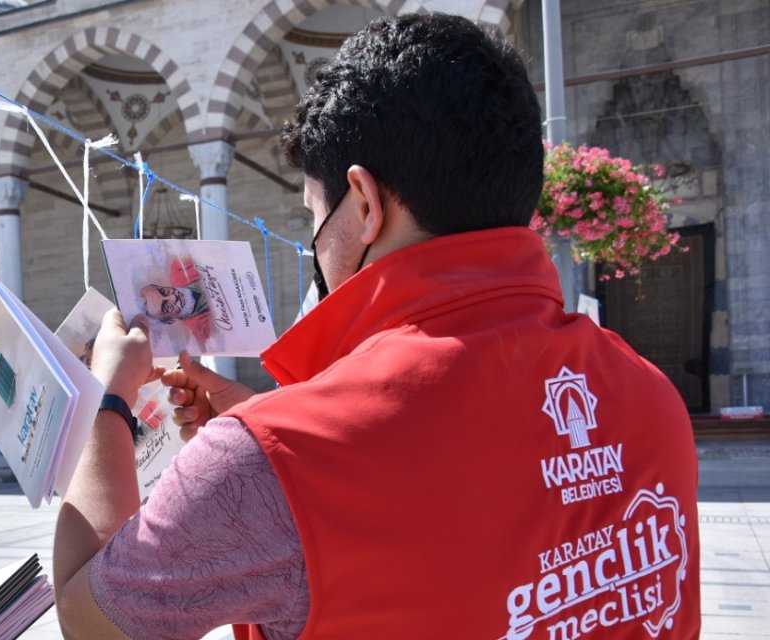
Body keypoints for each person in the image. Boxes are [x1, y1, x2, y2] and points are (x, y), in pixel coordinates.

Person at [53, 13, 700, 640]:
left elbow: (92, 622)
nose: (315, 237)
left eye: (314, 212)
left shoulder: (268, 462)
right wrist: (271, 430)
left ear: (362, 203)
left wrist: (107, 400)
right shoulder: (650, 397)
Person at [139, 256, 212, 342]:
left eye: (165, 292)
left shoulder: (179, 268)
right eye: (167, 307)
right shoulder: (202, 329)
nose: (174, 297)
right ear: (170, 320)